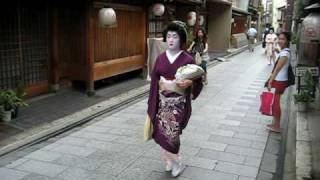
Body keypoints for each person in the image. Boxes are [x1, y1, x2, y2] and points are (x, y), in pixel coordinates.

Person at [147, 21, 203, 177]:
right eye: (169, 36)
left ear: (181, 39)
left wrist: (190, 82)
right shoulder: (160, 58)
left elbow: (198, 78)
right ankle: (169, 160)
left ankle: (176, 161)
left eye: (175, 36)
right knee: (160, 132)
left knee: (172, 133)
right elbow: (154, 81)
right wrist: (152, 103)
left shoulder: (187, 59)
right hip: (162, 102)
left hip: (178, 104)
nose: (171, 40)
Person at [266, 32, 292, 133]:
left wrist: (270, 81)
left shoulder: (285, 53)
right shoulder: (284, 51)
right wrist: (276, 51)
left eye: (283, 39)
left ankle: (276, 126)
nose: (280, 41)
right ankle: (274, 123)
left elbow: (276, 70)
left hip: (280, 81)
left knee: (276, 104)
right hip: (280, 80)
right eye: (279, 39)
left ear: (287, 41)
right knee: (275, 103)